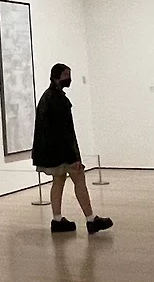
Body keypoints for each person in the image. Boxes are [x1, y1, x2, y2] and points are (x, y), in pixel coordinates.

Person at [32, 63, 113, 235]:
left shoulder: (48, 97)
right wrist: (74, 157)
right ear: (56, 77)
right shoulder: (56, 99)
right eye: (66, 75)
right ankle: (91, 220)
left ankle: (57, 220)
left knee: (58, 181)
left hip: (52, 152)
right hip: (62, 152)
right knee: (79, 179)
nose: (69, 79)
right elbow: (64, 131)